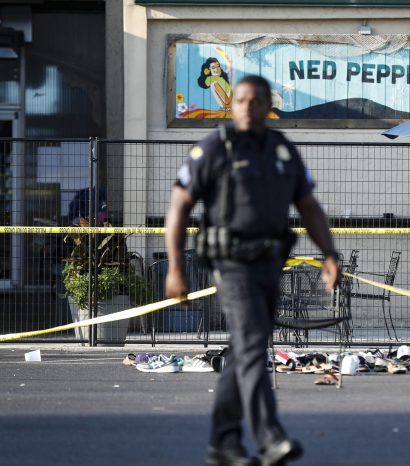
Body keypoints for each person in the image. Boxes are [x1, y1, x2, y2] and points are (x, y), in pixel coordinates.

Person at [164, 75, 340, 466]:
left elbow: (308, 205)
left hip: (270, 261)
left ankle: (223, 444)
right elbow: (179, 207)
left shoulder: (281, 150)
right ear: (233, 105)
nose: (246, 106)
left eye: (255, 100)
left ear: (266, 105)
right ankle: (269, 437)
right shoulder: (214, 148)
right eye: (239, 100)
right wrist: (175, 266)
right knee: (252, 344)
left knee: (247, 347)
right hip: (231, 265)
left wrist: (329, 253)